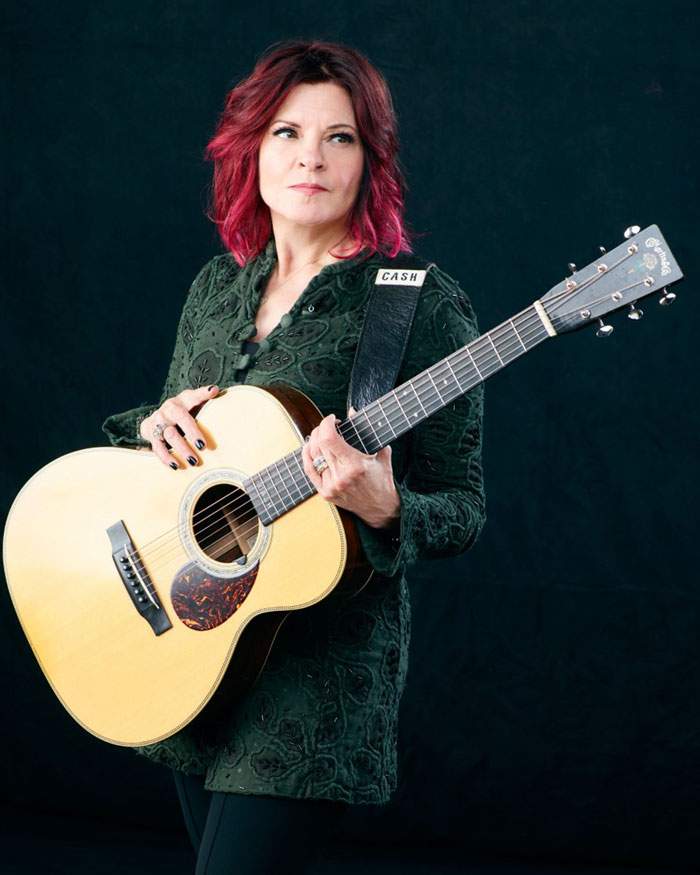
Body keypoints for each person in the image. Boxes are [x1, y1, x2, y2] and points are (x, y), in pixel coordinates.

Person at [102, 39, 486, 875]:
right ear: (251, 149)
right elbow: (175, 469)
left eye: (339, 136)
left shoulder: (416, 306)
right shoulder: (216, 287)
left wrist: (386, 505)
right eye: (286, 132)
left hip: (316, 682)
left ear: (370, 159)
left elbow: (461, 505)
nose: (310, 155)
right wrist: (153, 426)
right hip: (195, 642)